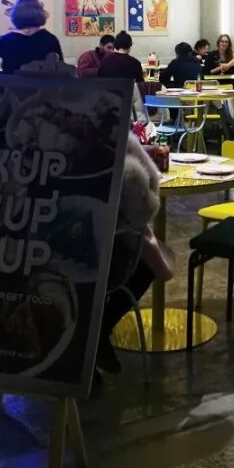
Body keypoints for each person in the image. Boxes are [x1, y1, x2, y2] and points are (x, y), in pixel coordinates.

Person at [95, 135, 173, 377]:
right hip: (104, 260)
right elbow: (142, 208)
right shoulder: (127, 168)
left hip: (51, 248)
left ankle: (94, 334)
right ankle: (99, 329)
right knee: (144, 265)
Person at [0, 0, 63, 74]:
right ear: (40, 14)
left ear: (15, 15)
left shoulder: (7, 40)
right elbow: (61, 66)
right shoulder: (51, 39)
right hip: (43, 82)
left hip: (11, 82)